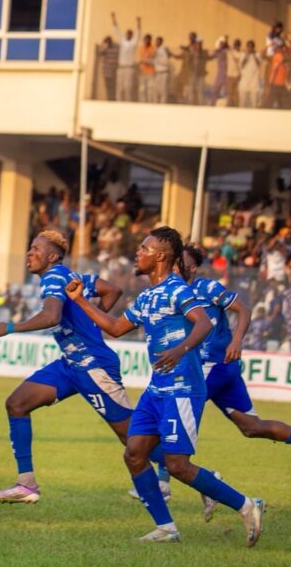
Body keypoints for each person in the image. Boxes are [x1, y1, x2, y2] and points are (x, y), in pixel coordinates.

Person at [63, 227, 265, 546]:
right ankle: (166, 528)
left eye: (144, 248)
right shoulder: (146, 296)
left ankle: (246, 505)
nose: (137, 252)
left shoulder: (178, 290)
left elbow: (204, 322)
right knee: (134, 453)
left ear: (160, 256)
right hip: (156, 389)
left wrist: (180, 350)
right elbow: (115, 327)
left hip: (183, 388)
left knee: (177, 466)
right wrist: (80, 301)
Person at [178, 245, 291, 521]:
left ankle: (172, 486)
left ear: (192, 268)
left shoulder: (206, 288)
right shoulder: (174, 292)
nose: (174, 266)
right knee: (251, 427)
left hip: (214, 366)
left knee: (174, 416)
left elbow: (244, 308)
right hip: (221, 369)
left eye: (180, 262)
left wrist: (237, 340)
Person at [0, 230, 135, 504]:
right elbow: (112, 290)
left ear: (52, 256)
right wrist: (91, 322)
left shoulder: (54, 277)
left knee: (132, 438)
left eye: (36, 249)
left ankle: (196, 478)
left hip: (93, 365)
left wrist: (10, 327)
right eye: (30, 248)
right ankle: (26, 484)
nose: (29, 253)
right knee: (17, 403)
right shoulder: (71, 276)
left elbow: (51, 316)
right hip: (70, 364)